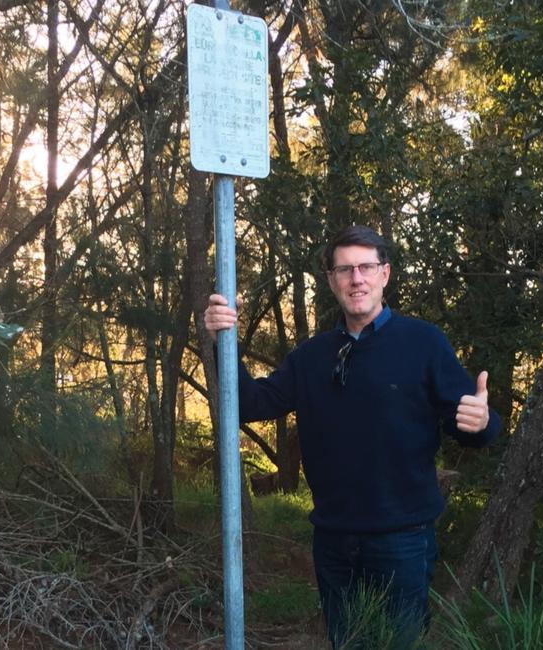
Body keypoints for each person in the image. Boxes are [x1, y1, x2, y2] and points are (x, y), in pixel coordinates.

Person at [204, 225, 501, 648]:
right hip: (334, 540)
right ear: (330, 281)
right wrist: (222, 342)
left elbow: (469, 426)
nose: (356, 278)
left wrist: (482, 421)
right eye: (344, 269)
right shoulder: (311, 357)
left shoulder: (424, 343)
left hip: (402, 539)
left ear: (385, 274)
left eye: (365, 267)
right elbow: (251, 404)